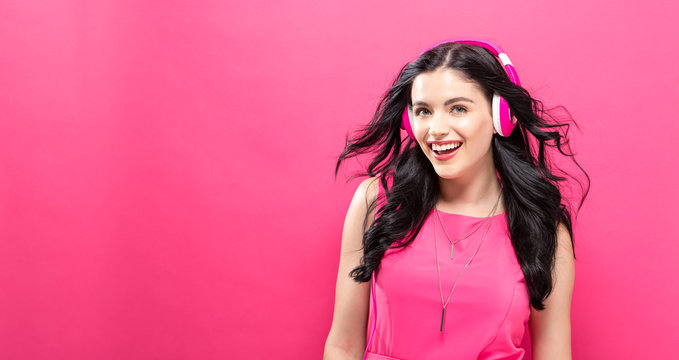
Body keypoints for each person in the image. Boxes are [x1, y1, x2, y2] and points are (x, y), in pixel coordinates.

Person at [323, 38, 589, 360]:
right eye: (423, 111)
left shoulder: (544, 230)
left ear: (501, 116)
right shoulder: (377, 201)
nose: (435, 129)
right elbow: (343, 345)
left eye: (458, 108)